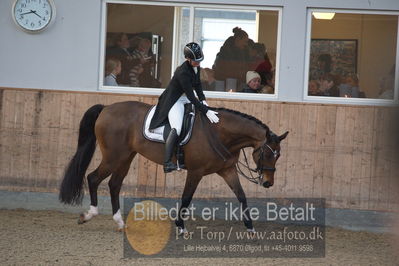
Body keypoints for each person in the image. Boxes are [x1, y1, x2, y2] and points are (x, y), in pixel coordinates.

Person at [149, 42, 219, 173]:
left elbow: (198, 86)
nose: (198, 63)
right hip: (174, 101)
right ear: (187, 59)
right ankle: (167, 162)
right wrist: (205, 110)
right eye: (195, 61)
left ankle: (184, 157)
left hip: (186, 99)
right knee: (177, 127)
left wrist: (203, 100)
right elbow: (191, 96)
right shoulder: (182, 73)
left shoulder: (196, 67)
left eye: (199, 61)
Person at [212, 27, 251, 91]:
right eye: (245, 41)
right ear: (238, 39)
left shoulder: (242, 52)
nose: (246, 44)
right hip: (224, 83)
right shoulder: (225, 54)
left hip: (230, 83)